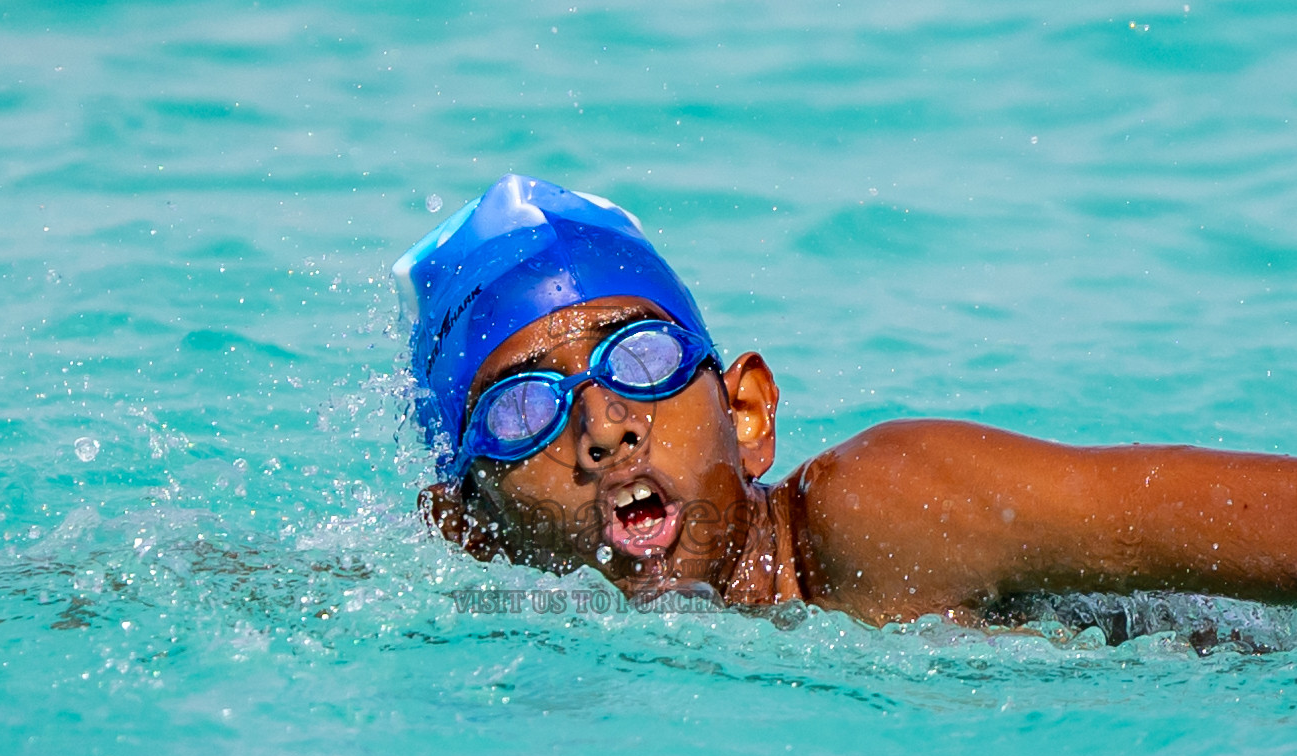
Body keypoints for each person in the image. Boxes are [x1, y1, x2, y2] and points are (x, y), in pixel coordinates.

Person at [395, 174, 1297, 629]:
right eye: (520, 411)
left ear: (747, 416)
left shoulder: (880, 513)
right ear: (471, 531)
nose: (602, 426)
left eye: (641, 357)